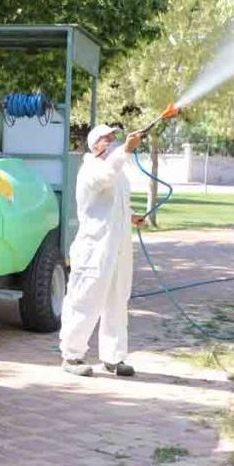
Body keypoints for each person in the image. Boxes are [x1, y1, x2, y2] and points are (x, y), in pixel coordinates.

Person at [59, 124, 147, 377]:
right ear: (94, 143)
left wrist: (131, 216)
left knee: (117, 301)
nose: (111, 141)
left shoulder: (118, 172)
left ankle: (114, 357)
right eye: (106, 138)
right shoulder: (90, 169)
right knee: (85, 300)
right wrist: (125, 151)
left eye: (114, 138)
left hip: (117, 248)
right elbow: (103, 180)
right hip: (94, 249)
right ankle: (72, 356)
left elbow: (114, 203)